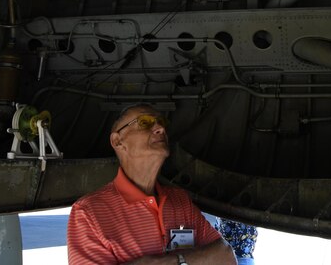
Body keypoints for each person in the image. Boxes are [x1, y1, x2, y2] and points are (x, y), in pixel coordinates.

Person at [67, 103, 237, 265]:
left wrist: (171, 261)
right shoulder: (88, 213)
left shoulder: (180, 201)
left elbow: (226, 256)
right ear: (117, 141)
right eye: (145, 122)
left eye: (162, 123)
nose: (160, 128)